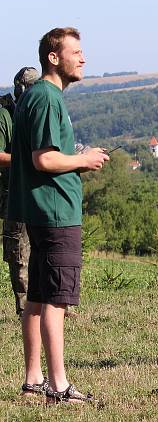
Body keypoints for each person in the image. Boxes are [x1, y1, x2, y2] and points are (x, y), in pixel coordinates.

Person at [8, 27, 109, 403]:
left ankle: (34, 379)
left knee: (36, 297)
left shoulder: (34, 96)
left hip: (38, 209)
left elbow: (44, 157)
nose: (83, 59)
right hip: (55, 214)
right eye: (76, 52)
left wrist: (80, 161)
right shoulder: (48, 98)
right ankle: (59, 386)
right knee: (56, 299)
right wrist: (82, 159)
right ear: (54, 57)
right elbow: (45, 158)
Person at [1, 67, 40, 317]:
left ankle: (53, 304)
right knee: (19, 250)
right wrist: (24, 160)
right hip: (12, 191)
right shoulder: (5, 115)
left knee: (44, 246)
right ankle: (25, 306)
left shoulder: (36, 112)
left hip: (38, 190)